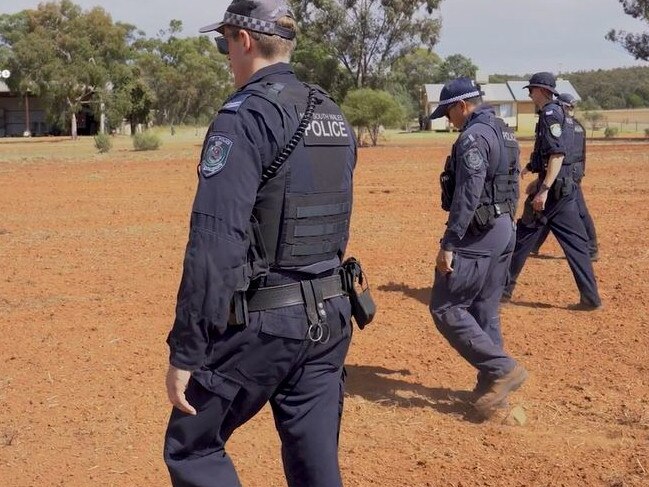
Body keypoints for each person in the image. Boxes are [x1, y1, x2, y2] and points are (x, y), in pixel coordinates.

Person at [163, 1, 357, 486]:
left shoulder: (242, 117)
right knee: (316, 463)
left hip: (266, 323)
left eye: (224, 42)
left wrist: (188, 349)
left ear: (244, 40)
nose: (225, 55)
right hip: (331, 316)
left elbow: (215, 241)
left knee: (192, 446)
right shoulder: (331, 112)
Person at [428, 77, 527, 418]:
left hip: (479, 233)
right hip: (504, 229)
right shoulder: (504, 130)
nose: (447, 119)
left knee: (445, 307)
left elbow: (468, 193)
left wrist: (450, 242)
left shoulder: (473, 137)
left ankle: (503, 368)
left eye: (448, 112)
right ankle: (492, 395)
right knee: (485, 310)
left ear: (463, 106)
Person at [502, 73, 602, 310]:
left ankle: (502, 291)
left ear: (541, 90)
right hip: (566, 189)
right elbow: (547, 154)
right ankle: (591, 298)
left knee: (524, 236)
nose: (529, 94)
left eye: (531, 90)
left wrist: (543, 189)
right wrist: (529, 169)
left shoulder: (549, 114)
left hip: (553, 192)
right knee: (577, 244)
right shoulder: (562, 115)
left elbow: (557, 155)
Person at [530, 92, 599, 261]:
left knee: (567, 211)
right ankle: (533, 245)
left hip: (565, 175)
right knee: (549, 210)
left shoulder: (564, 126)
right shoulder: (577, 126)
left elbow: (561, 155)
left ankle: (590, 249)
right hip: (573, 174)